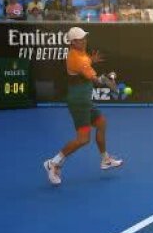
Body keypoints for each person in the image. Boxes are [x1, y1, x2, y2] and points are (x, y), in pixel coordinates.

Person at [43, 27, 123, 186]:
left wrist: (91, 61)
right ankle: (53, 162)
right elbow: (97, 80)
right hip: (79, 101)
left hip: (84, 99)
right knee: (83, 139)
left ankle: (105, 159)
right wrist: (110, 81)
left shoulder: (80, 54)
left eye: (85, 37)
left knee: (101, 123)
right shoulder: (79, 59)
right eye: (80, 39)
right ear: (73, 42)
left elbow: (85, 65)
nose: (84, 40)